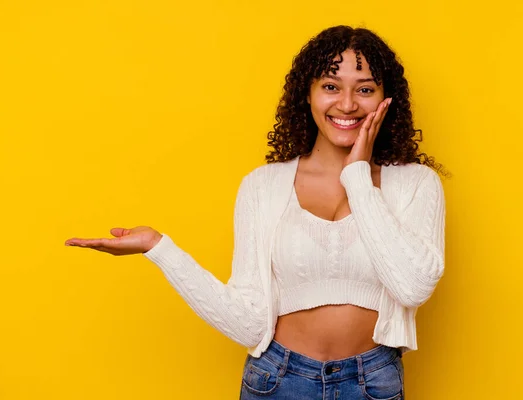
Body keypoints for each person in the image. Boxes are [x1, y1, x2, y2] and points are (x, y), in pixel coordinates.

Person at [65, 25, 446, 399]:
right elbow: (248, 323)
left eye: (364, 89)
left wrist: (358, 178)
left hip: (372, 383)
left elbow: (411, 287)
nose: (347, 104)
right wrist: (159, 248)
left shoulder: (415, 184)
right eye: (330, 86)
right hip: (277, 381)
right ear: (308, 95)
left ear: (386, 98)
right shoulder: (263, 187)